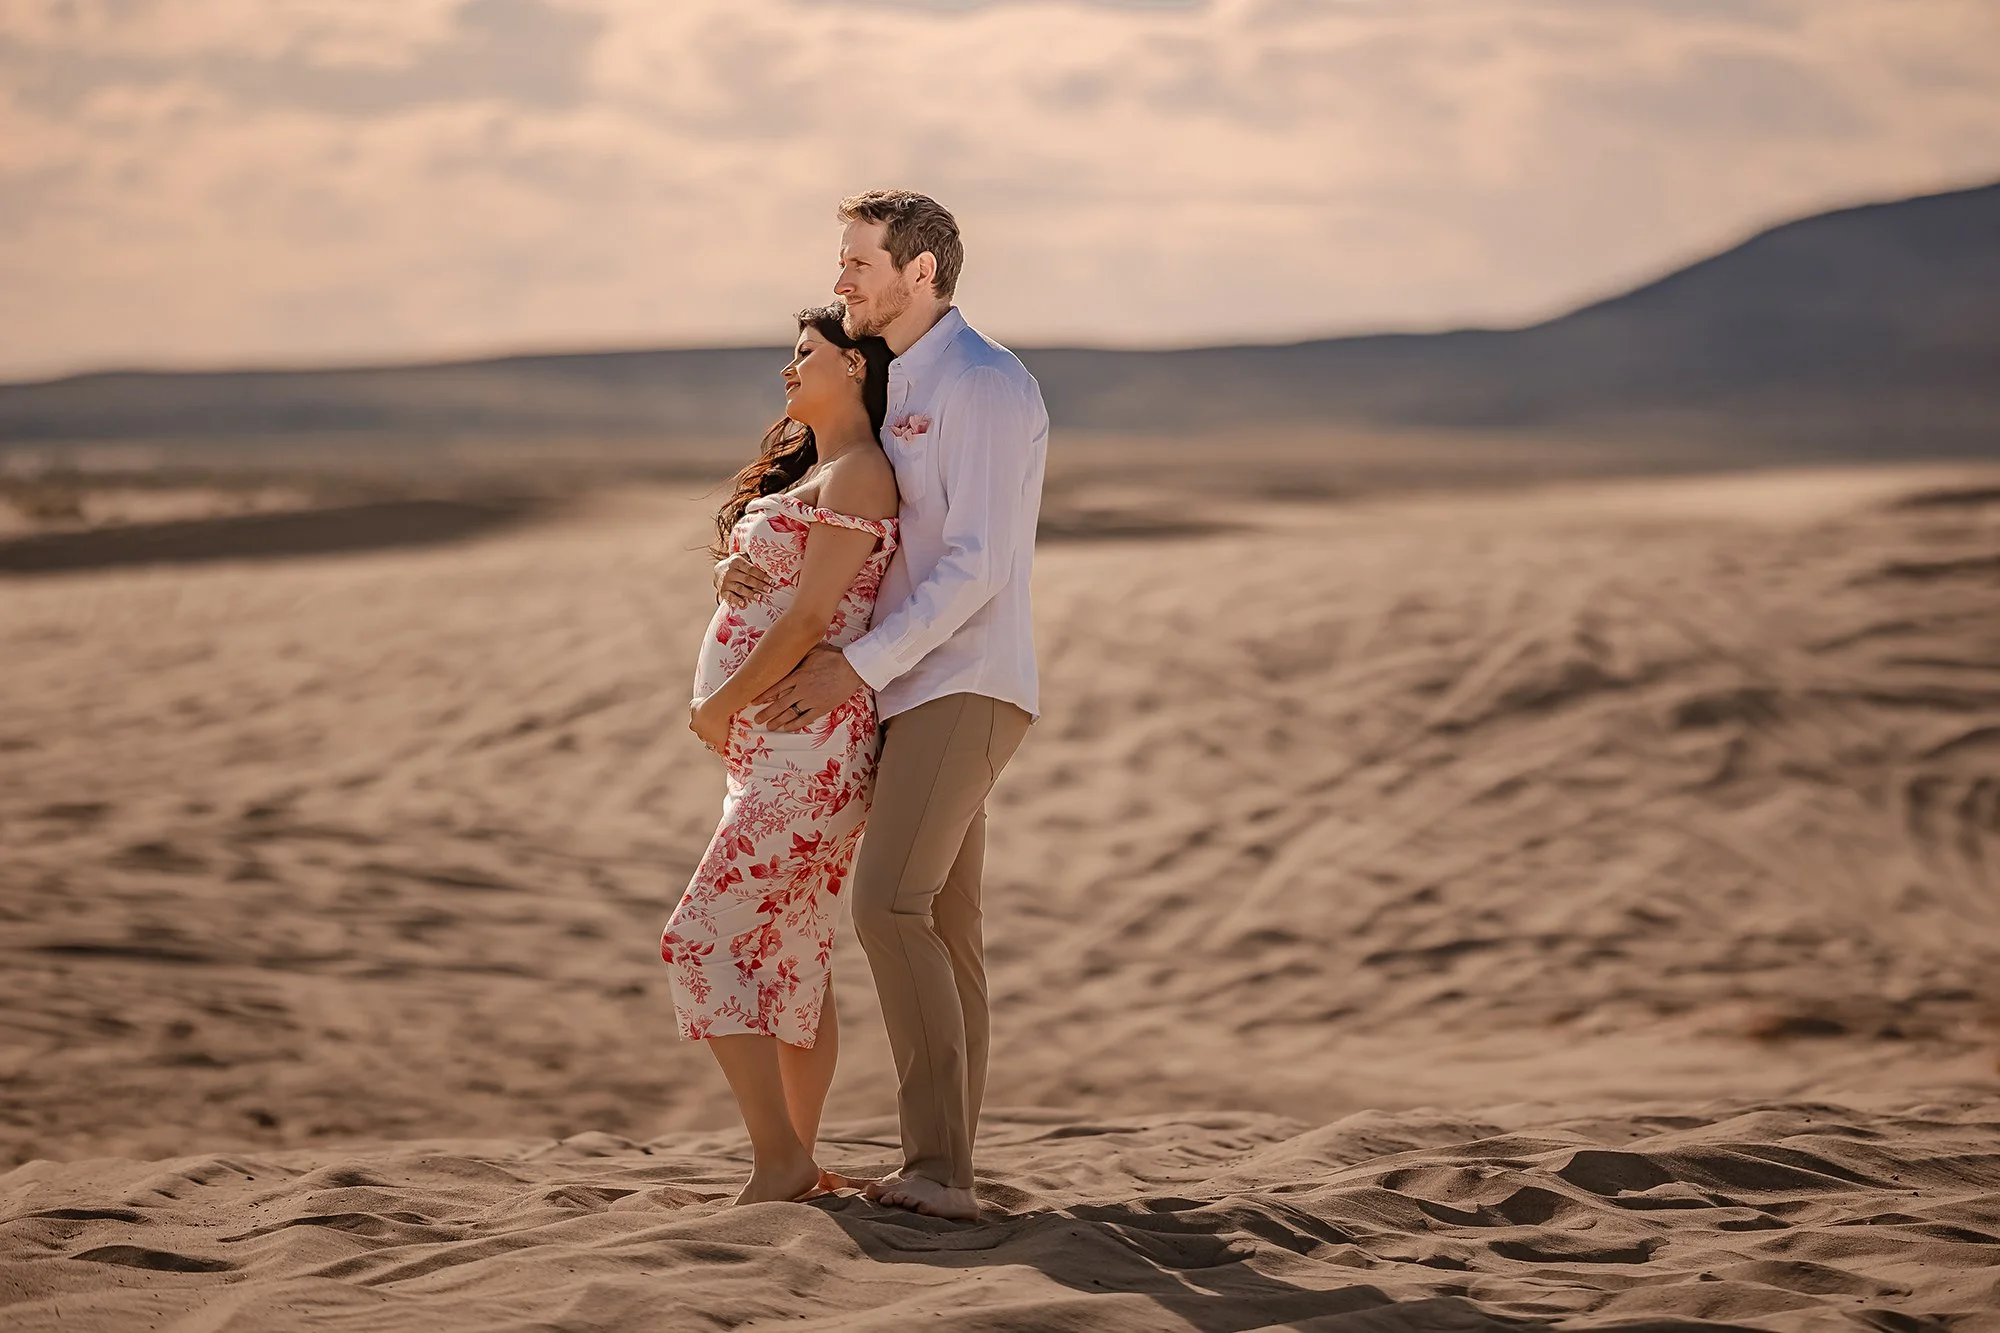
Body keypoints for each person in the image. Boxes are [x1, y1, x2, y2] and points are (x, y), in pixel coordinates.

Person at [719, 190, 1049, 1221]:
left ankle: (938, 1174)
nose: (839, 282)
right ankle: (942, 1164)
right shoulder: (902, 379)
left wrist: (854, 666)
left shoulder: (985, 383)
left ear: (920, 274)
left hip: (962, 680)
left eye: (857, 262)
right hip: (909, 684)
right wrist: (756, 570)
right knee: (945, 930)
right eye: (841, 261)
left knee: (886, 906)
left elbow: (978, 563)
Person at [662, 304, 899, 1205]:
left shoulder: (863, 473)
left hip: (809, 750)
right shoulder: (824, 472)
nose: (788, 372)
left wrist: (717, 703)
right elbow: (777, 579)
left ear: (857, 369)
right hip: (777, 751)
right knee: (792, 948)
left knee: (697, 939)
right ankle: (796, 1159)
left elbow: (809, 618)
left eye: (806, 355)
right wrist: (731, 568)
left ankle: (780, 1160)